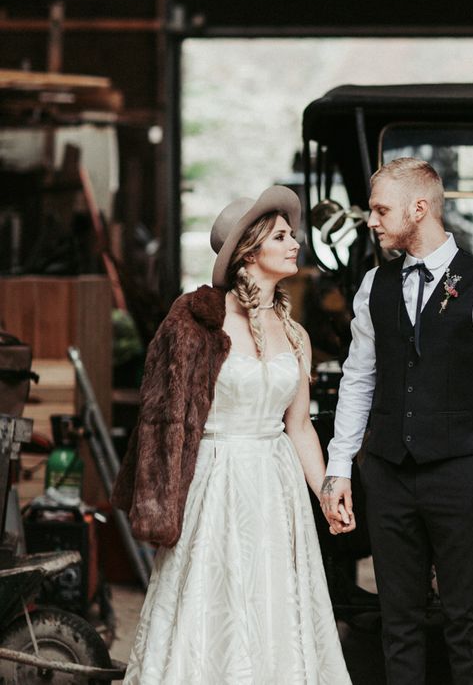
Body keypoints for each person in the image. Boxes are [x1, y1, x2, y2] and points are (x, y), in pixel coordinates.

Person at [112, 186, 352, 684]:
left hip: (275, 484)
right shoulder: (196, 322)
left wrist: (327, 490)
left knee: (274, 605)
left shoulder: (295, 332)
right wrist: (159, 501)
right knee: (212, 606)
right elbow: (161, 417)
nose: (295, 243)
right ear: (248, 250)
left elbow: (299, 426)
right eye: (282, 236)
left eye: (292, 234)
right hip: (215, 484)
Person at [320, 158, 473, 685]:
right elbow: (358, 379)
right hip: (389, 476)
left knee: (465, 623)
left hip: (461, 477)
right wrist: (340, 467)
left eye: (380, 209)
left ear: (420, 209)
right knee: (399, 623)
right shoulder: (375, 284)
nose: (371, 219)